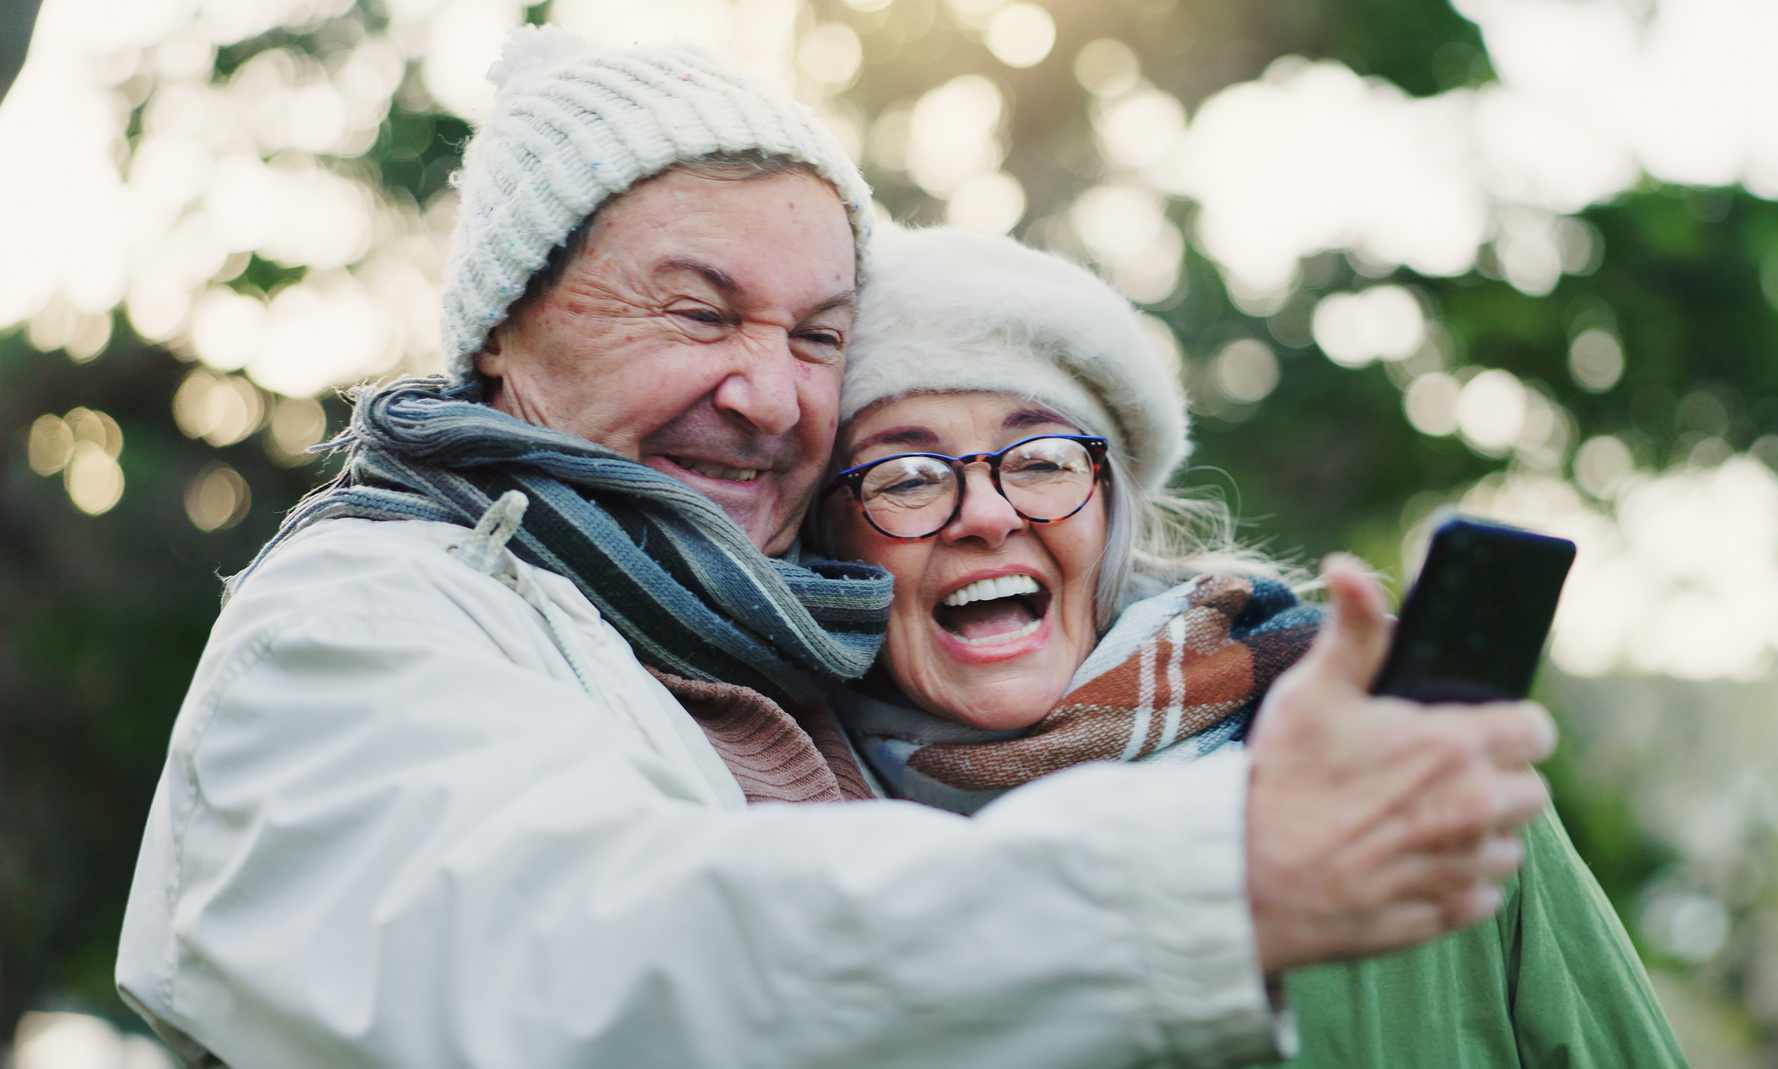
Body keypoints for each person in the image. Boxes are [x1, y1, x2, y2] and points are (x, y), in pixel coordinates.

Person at [117, 28, 1557, 1068]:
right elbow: (591, 968)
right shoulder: (370, 613)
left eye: (817, 337)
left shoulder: (751, 656)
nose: (772, 392)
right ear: (502, 327)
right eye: (696, 311)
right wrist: (1208, 879)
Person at [816, 225, 1689, 1067]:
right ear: (831, 542)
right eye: (907, 477)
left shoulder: (1412, 781)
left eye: (1043, 459)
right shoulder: (795, 856)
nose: (989, 513)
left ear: (1113, 509)